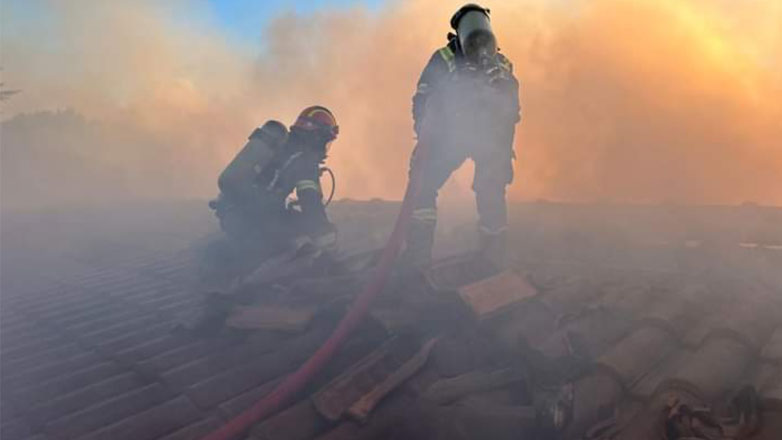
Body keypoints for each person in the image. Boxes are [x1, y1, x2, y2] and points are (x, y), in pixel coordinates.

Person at [402, 3, 521, 268]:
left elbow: (513, 110)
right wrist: (425, 134)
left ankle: (492, 258)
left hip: (486, 136)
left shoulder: (500, 63)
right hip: (452, 133)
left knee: (490, 189)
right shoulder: (445, 57)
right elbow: (422, 97)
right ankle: (418, 258)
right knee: (424, 184)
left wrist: (503, 152)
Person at [202, 105, 339, 288]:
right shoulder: (304, 160)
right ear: (318, 137)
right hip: (255, 221)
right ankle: (250, 284)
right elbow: (311, 202)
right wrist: (326, 234)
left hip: (231, 212)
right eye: (326, 141)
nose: (325, 147)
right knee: (298, 242)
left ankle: (231, 264)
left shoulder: (283, 146)